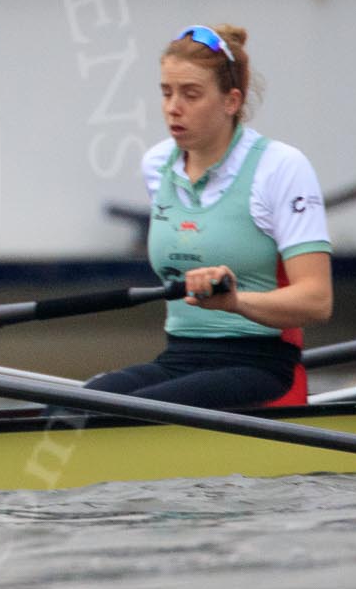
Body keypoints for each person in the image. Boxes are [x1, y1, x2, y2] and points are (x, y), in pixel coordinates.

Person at [87, 24, 332, 409]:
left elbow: (317, 301)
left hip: (262, 365)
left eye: (191, 94)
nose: (173, 107)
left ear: (231, 101)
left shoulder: (280, 167)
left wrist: (235, 301)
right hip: (178, 358)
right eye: (166, 93)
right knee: (68, 410)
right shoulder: (157, 165)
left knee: (130, 415)